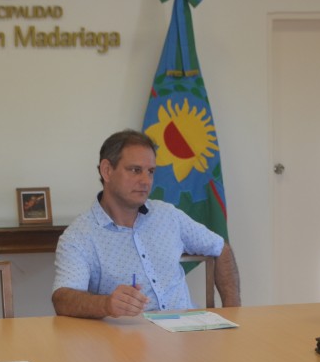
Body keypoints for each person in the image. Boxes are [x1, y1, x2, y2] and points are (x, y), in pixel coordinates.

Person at [53, 129, 241, 318]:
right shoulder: (79, 235)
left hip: (189, 333)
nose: (146, 181)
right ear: (107, 171)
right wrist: (106, 304)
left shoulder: (168, 215)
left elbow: (221, 249)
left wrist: (232, 313)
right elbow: (63, 298)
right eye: (135, 170)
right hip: (130, 341)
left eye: (150, 172)